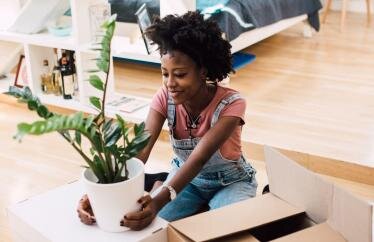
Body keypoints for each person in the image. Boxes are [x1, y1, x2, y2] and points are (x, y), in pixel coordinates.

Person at [77, 11, 257, 231]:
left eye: (180, 74)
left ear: (203, 72)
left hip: (231, 182)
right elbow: (140, 151)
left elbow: (199, 158)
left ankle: (165, 188)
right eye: (164, 73)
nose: (170, 83)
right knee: (144, 225)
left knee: (226, 231)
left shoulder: (232, 104)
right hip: (186, 182)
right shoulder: (164, 97)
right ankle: (164, 187)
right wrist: (100, 194)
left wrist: (159, 200)